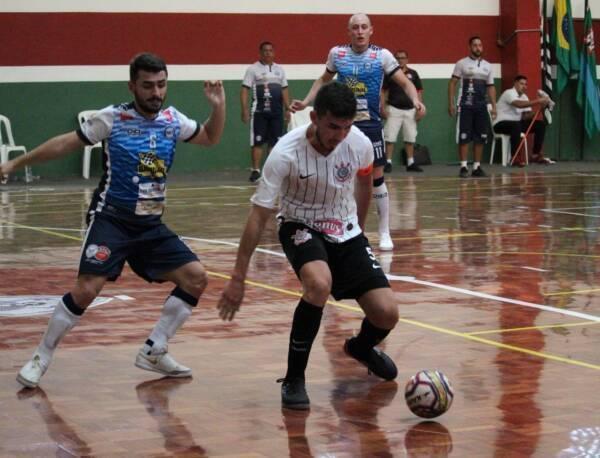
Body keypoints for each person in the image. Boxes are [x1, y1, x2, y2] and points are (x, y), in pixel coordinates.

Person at [1, 52, 226, 388]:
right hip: (112, 220)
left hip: (150, 225)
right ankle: (40, 356)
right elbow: (65, 143)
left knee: (195, 278)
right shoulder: (113, 118)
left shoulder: (172, 119)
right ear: (132, 85)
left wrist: (218, 106)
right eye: (148, 86)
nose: (156, 92)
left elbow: (210, 137)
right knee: (87, 289)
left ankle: (154, 350)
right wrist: (14, 165)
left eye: (161, 85)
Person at [218, 81, 399, 410]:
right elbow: (258, 217)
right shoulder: (285, 153)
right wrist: (238, 278)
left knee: (387, 313)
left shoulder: (358, 144)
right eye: (332, 126)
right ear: (314, 117)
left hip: (345, 229)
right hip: (300, 224)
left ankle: (360, 348)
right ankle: (294, 378)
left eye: (346, 127)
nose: (339, 135)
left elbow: (364, 180)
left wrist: (358, 228)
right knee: (318, 284)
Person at [290, 13, 426, 251]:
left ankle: (384, 231)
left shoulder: (381, 56)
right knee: (342, 178)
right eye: (355, 28)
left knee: (376, 178)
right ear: (349, 31)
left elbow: (405, 83)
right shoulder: (337, 54)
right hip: (345, 126)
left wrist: (416, 100)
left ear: (371, 30)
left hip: (371, 124)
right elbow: (323, 80)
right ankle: (341, 227)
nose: (360, 31)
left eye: (364, 27)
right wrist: (306, 102)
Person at [241, 41, 290, 182]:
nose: (268, 53)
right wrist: (244, 109)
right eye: (265, 50)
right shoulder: (252, 69)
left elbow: (284, 89)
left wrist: (287, 108)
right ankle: (255, 171)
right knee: (258, 142)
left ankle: (271, 171)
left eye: (270, 50)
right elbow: (245, 89)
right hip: (259, 112)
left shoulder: (280, 70)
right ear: (260, 53)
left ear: (274, 53)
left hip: (276, 112)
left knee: (274, 143)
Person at [448, 36, 496, 178]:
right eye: (475, 45)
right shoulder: (461, 63)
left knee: (480, 137)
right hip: (465, 105)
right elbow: (452, 83)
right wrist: (451, 103)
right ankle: (463, 167)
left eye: (480, 45)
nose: (478, 47)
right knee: (464, 136)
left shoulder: (488, 66)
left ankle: (476, 167)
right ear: (470, 47)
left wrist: (494, 106)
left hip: (481, 106)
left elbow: (491, 87)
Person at [493, 75, 552, 166]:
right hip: (500, 124)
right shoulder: (509, 93)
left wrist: (540, 108)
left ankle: (535, 155)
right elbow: (519, 104)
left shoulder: (524, 96)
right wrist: (538, 100)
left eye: (525, 84)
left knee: (540, 124)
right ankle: (515, 158)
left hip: (516, 124)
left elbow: (525, 117)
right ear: (515, 83)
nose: (524, 86)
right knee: (516, 125)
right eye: (521, 84)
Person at [382, 50, 425, 173]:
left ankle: (410, 162)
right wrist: (383, 108)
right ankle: (388, 162)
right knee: (390, 138)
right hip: (393, 109)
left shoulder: (413, 74)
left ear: (407, 59)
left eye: (403, 58)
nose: (400, 60)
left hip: (410, 110)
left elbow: (418, 92)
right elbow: (383, 92)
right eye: (398, 58)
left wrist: (419, 108)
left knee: (410, 138)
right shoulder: (390, 74)